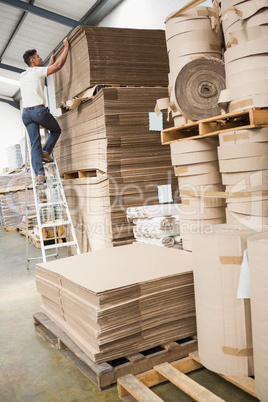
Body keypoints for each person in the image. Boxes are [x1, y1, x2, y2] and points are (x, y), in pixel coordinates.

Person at [20, 38, 69, 187]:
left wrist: (49, 64)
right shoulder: (38, 71)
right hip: (38, 112)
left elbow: (40, 74)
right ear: (33, 60)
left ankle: (39, 175)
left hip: (26, 115)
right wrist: (66, 48)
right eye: (39, 56)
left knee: (35, 143)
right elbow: (59, 66)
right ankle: (46, 151)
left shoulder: (23, 75)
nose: (41, 58)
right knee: (56, 130)